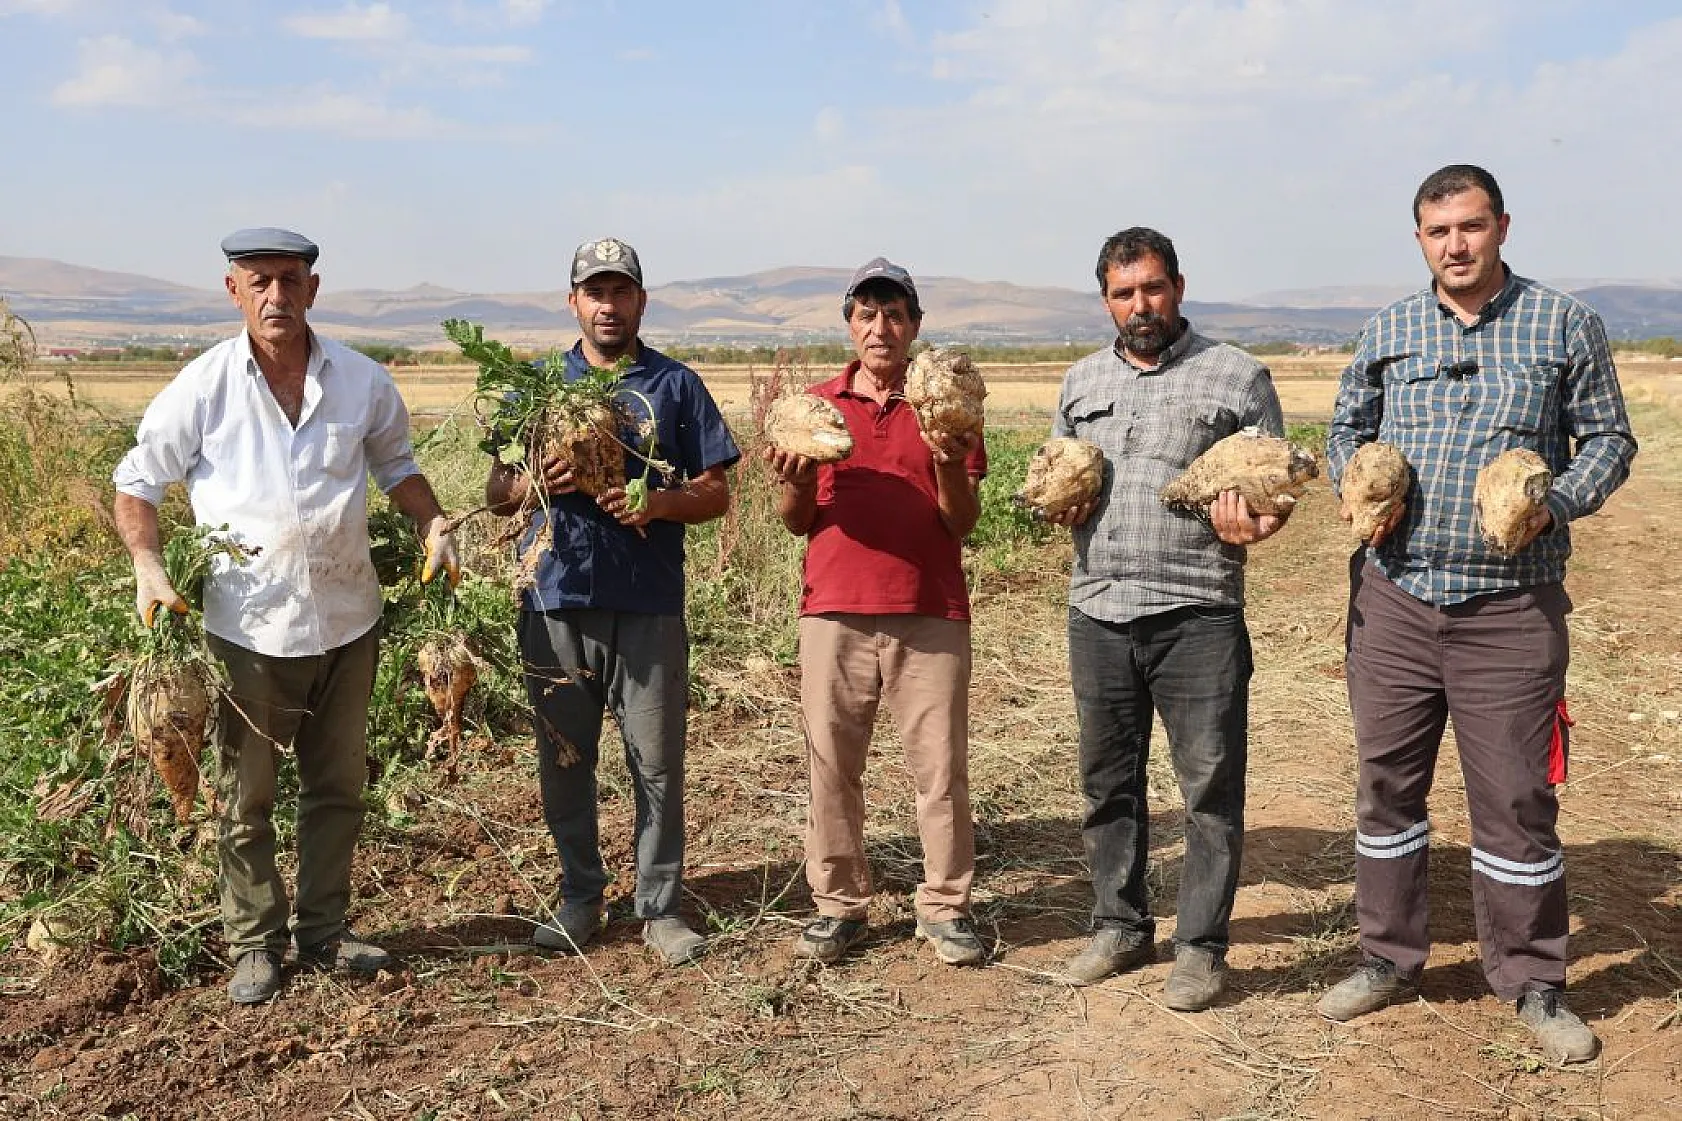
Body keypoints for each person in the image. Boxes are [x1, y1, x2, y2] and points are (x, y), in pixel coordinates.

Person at [1321, 165, 1636, 1062]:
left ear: (1501, 224)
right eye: (1437, 231)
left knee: (1516, 799)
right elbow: (1346, 428)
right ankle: (1388, 956)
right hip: (1394, 598)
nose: (1455, 245)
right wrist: (1359, 479)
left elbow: (1610, 438)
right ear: (1418, 239)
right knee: (1386, 784)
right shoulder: (1389, 330)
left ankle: (1533, 979)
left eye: (1470, 226)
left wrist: (1559, 500)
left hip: (1510, 606)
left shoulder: (1563, 323)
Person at [113, 228, 460, 1005]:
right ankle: (255, 944)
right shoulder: (204, 388)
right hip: (248, 631)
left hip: (347, 620)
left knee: (338, 786)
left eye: (290, 279)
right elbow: (138, 482)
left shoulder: (362, 381)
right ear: (232, 291)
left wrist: (431, 524)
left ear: (313, 287)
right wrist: (149, 566)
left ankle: (327, 930)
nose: (276, 295)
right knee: (246, 796)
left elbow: (399, 466)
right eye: (259, 280)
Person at [1048, 227, 1291, 1011]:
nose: (1140, 305)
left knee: (1209, 787)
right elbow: (1059, 480)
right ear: (1107, 301)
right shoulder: (1080, 382)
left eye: (1151, 287)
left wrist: (1257, 525)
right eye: (1124, 293)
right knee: (1106, 783)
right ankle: (1120, 924)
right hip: (1099, 609)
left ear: (1178, 287)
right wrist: (1059, 504)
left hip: (1198, 613)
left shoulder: (1236, 375)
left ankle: (1201, 946)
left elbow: (1275, 487)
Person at [484, 237, 739, 966]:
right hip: (554, 601)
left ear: (640, 302)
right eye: (594, 291)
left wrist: (656, 502)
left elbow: (716, 491)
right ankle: (580, 896)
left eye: (620, 291)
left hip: (648, 602)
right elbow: (497, 497)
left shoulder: (675, 385)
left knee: (657, 762)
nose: (607, 304)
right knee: (564, 759)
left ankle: (658, 906)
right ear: (573, 303)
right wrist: (535, 477)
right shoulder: (534, 387)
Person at [763, 257, 988, 967]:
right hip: (833, 611)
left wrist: (946, 460)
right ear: (850, 325)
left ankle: (945, 906)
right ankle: (838, 904)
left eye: (894, 313)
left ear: (915, 325)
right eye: (867, 312)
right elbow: (795, 520)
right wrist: (793, 484)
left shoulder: (946, 401)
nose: (880, 326)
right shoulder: (815, 408)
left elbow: (963, 522)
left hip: (931, 608)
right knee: (830, 764)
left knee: (940, 768)